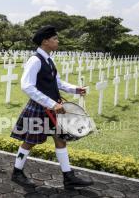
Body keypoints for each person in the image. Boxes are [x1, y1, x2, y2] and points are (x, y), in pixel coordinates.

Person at [9, 25, 93, 189]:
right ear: (45, 41)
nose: (57, 41)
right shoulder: (35, 60)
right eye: (54, 38)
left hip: (55, 108)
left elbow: (57, 82)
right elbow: (27, 86)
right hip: (40, 108)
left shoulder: (49, 59)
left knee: (61, 140)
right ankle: (17, 172)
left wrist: (75, 89)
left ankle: (68, 177)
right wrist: (51, 103)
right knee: (29, 142)